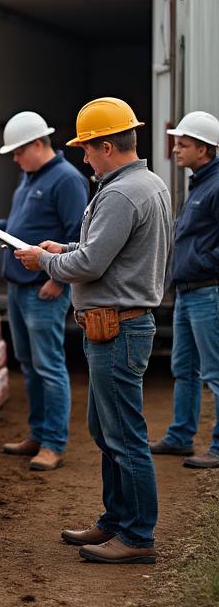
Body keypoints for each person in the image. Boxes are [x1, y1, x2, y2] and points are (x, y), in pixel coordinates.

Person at [14, 97, 171, 565]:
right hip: (119, 324)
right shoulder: (145, 184)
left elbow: (92, 264)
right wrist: (64, 248)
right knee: (106, 429)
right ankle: (115, 520)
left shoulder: (121, 193)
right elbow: (106, 250)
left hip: (117, 327)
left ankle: (137, 536)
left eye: (86, 148)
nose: (83, 157)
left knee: (123, 434)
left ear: (106, 146)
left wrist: (45, 261)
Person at [0, 112, 88, 472]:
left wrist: (59, 281)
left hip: (44, 290)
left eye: (19, 152)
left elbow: (78, 237)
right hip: (20, 288)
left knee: (49, 366)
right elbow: (25, 225)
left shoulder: (67, 180)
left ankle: (53, 443)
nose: (16, 159)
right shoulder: (29, 176)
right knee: (30, 365)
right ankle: (38, 434)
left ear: (38, 144)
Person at [150, 111, 219, 469]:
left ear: (203, 149)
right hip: (189, 293)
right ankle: (180, 437)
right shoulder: (200, 183)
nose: (175, 149)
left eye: (183, 144)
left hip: (208, 292)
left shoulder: (216, 185)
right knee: (184, 368)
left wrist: (205, 262)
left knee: (214, 373)